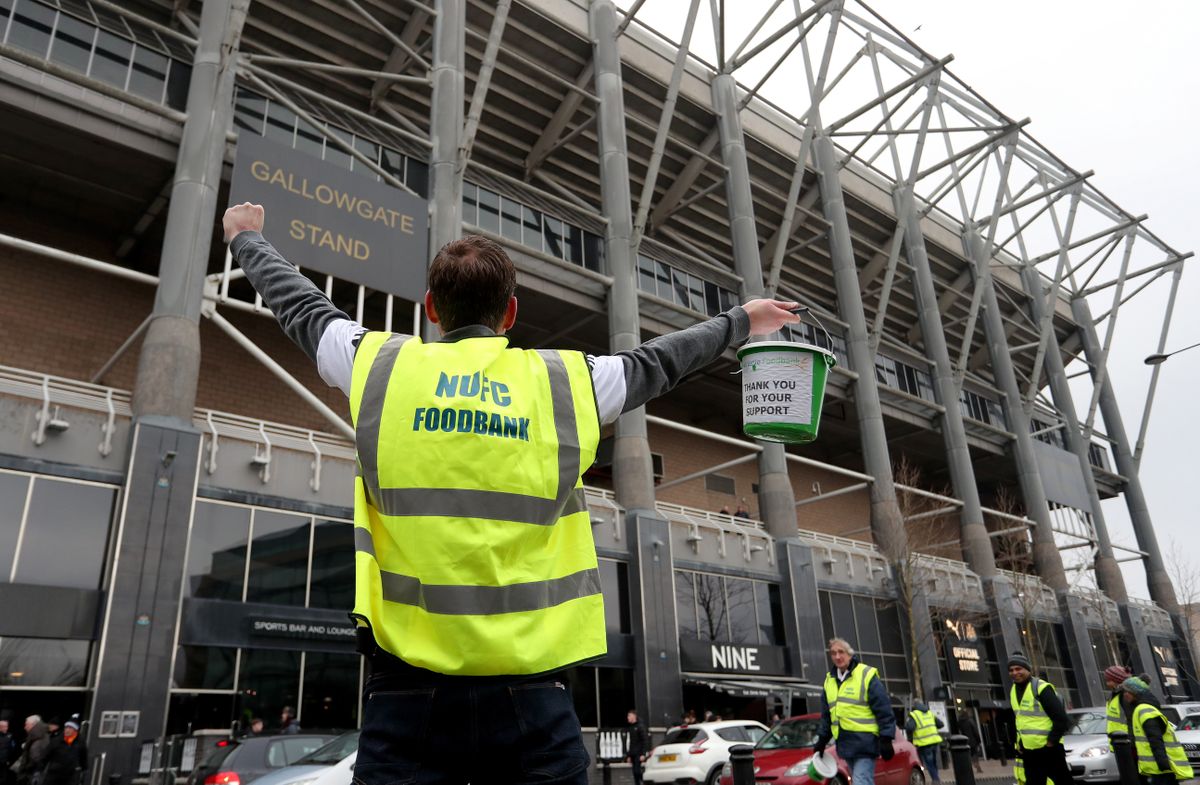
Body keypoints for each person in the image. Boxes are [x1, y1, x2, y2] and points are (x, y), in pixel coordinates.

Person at [221, 203, 802, 785]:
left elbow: (300, 305)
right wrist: (742, 321)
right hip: (532, 697)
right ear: (511, 313)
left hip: (405, 696)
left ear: (431, 309)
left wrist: (248, 238)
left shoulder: (378, 367)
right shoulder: (567, 383)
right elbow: (662, 361)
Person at [814, 638, 896, 785]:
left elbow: (884, 710)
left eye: (841, 652)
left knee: (861, 782)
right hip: (846, 745)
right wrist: (822, 740)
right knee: (861, 781)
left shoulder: (866, 675)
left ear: (850, 654)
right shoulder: (829, 681)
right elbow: (827, 716)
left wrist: (886, 739)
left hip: (865, 743)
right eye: (833, 653)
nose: (837, 657)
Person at [1007, 651, 1074, 785]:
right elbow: (1021, 720)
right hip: (1029, 751)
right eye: (1011, 670)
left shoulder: (1041, 688)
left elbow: (1061, 719)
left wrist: (1051, 742)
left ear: (1027, 669)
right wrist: (1019, 743)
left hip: (1049, 749)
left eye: (1018, 669)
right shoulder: (1013, 690)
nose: (1014, 672)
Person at [1120, 676, 1192, 785]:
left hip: (1161, 767)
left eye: (1127, 691)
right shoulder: (1141, 708)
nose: (1125, 695)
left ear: (1135, 692)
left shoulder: (1144, 709)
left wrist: (1162, 763)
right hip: (1158, 767)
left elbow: (1155, 738)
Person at [906, 702, 944, 782]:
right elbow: (941, 724)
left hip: (924, 743)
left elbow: (910, 728)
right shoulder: (929, 713)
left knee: (928, 763)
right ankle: (935, 778)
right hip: (934, 741)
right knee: (933, 762)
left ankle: (935, 780)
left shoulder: (914, 715)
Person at [1103, 665, 1132, 754]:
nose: (1107, 684)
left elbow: (1131, 720)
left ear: (1117, 680)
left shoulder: (1125, 696)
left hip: (1127, 744)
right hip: (1118, 743)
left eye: (1109, 681)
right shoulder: (1113, 696)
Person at [13, 716, 49, 785]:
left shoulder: (37, 739)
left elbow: (34, 759)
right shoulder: (41, 735)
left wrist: (25, 770)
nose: (25, 727)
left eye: (27, 724)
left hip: (29, 776)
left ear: (33, 724)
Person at [625, 710, 649, 785]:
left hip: (639, 753)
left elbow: (645, 740)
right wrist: (628, 755)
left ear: (634, 716)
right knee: (635, 773)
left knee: (637, 771)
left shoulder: (640, 726)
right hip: (632, 753)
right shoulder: (631, 727)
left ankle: (646, 781)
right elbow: (630, 742)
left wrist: (643, 754)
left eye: (629, 716)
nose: (627, 718)